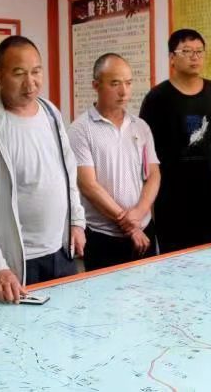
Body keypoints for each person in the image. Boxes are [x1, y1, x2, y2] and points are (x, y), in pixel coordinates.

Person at [0, 36, 86, 304]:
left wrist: (76, 221)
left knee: (69, 322)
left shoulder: (51, 113)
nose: (30, 83)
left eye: (36, 72)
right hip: (15, 261)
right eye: (19, 74)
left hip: (61, 251)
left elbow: (68, 173)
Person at [139, 29, 211, 253]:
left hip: (208, 194)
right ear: (172, 57)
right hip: (170, 198)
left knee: (207, 256)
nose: (195, 57)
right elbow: (145, 149)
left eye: (199, 51)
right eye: (187, 51)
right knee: (173, 260)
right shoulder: (157, 98)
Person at [68, 53, 161, 271]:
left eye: (128, 83)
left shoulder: (140, 126)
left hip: (144, 230)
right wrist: (129, 225)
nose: (123, 91)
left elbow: (153, 175)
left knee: (148, 289)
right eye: (115, 83)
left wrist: (139, 214)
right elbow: (88, 185)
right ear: (96, 85)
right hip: (104, 237)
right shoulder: (80, 129)